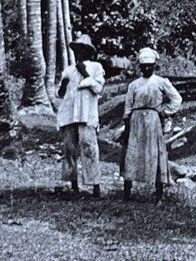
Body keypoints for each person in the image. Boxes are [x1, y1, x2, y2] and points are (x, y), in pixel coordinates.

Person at [120, 47, 182, 200]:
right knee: (132, 153)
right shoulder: (134, 85)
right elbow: (128, 106)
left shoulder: (161, 82)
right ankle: (127, 193)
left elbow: (177, 99)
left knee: (155, 153)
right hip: (136, 120)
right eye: (144, 65)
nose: (147, 68)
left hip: (153, 120)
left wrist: (164, 111)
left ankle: (159, 194)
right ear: (139, 67)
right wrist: (127, 125)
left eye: (150, 65)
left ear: (155, 65)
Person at [57, 32, 106, 196]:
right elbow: (61, 94)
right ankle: (73, 184)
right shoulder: (68, 70)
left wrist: (85, 73)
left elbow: (98, 89)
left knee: (89, 148)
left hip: (87, 114)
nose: (79, 54)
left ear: (89, 52)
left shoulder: (96, 67)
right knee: (69, 149)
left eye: (83, 50)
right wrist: (63, 84)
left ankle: (95, 185)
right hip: (69, 114)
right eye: (77, 50)